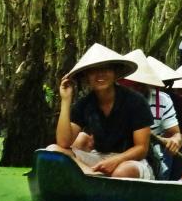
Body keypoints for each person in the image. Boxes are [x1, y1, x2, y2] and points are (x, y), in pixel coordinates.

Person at [50, 43, 154, 179]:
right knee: (53, 150)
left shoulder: (136, 101)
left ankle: (91, 177)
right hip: (98, 159)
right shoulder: (85, 104)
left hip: (131, 161)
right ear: (87, 76)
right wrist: (65, 100)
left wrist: (116, 160)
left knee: (121, 172)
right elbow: (63, 143)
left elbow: (141, 148)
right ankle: (92, 175)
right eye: (94, 70)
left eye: (106, 69)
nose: (100, 74)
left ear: (115, 73)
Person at [120, 50, 182, 180]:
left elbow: (175, 134)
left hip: (148, 157)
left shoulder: (163, 100)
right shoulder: (108, 97)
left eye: (138, 84)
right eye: (128, 84)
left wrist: (174, 141)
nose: (133, 89)